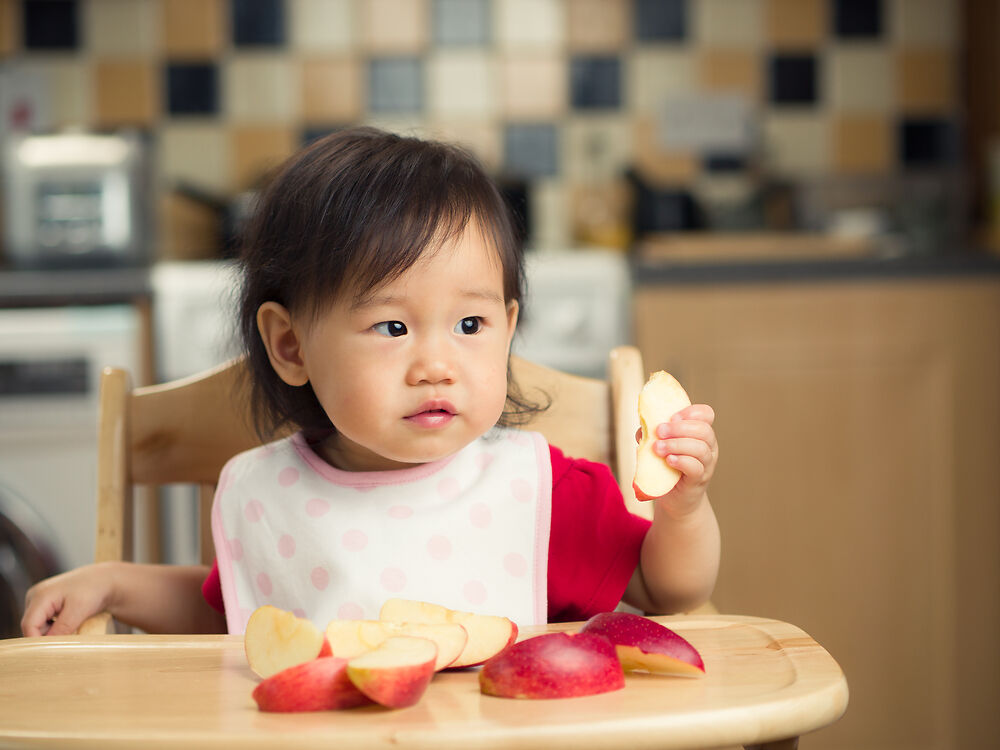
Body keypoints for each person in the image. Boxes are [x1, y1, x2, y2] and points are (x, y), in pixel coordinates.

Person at [21, 127, 720, 637]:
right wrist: (113, 581)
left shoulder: (541, 492)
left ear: (508, 327)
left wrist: (683, 512)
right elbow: (232, 610)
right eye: (392, 329)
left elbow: (667, 589)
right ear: (290, 346)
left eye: (470, 326)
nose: (436, 364)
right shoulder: (267, 495)